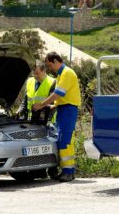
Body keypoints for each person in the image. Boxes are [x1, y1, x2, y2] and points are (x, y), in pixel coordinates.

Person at [33, 52, 81, 182]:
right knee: (62, 139)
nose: (50, 68)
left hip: (68, 110)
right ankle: (67, 171)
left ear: (55, 61)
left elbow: (57, 94)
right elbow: (62, 96)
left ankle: (68, 172)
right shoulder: (61, 74)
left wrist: (41, 105)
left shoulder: (66, 73)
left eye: (50, 65)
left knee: (65, 140)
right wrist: (54, 106)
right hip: (63, 108)